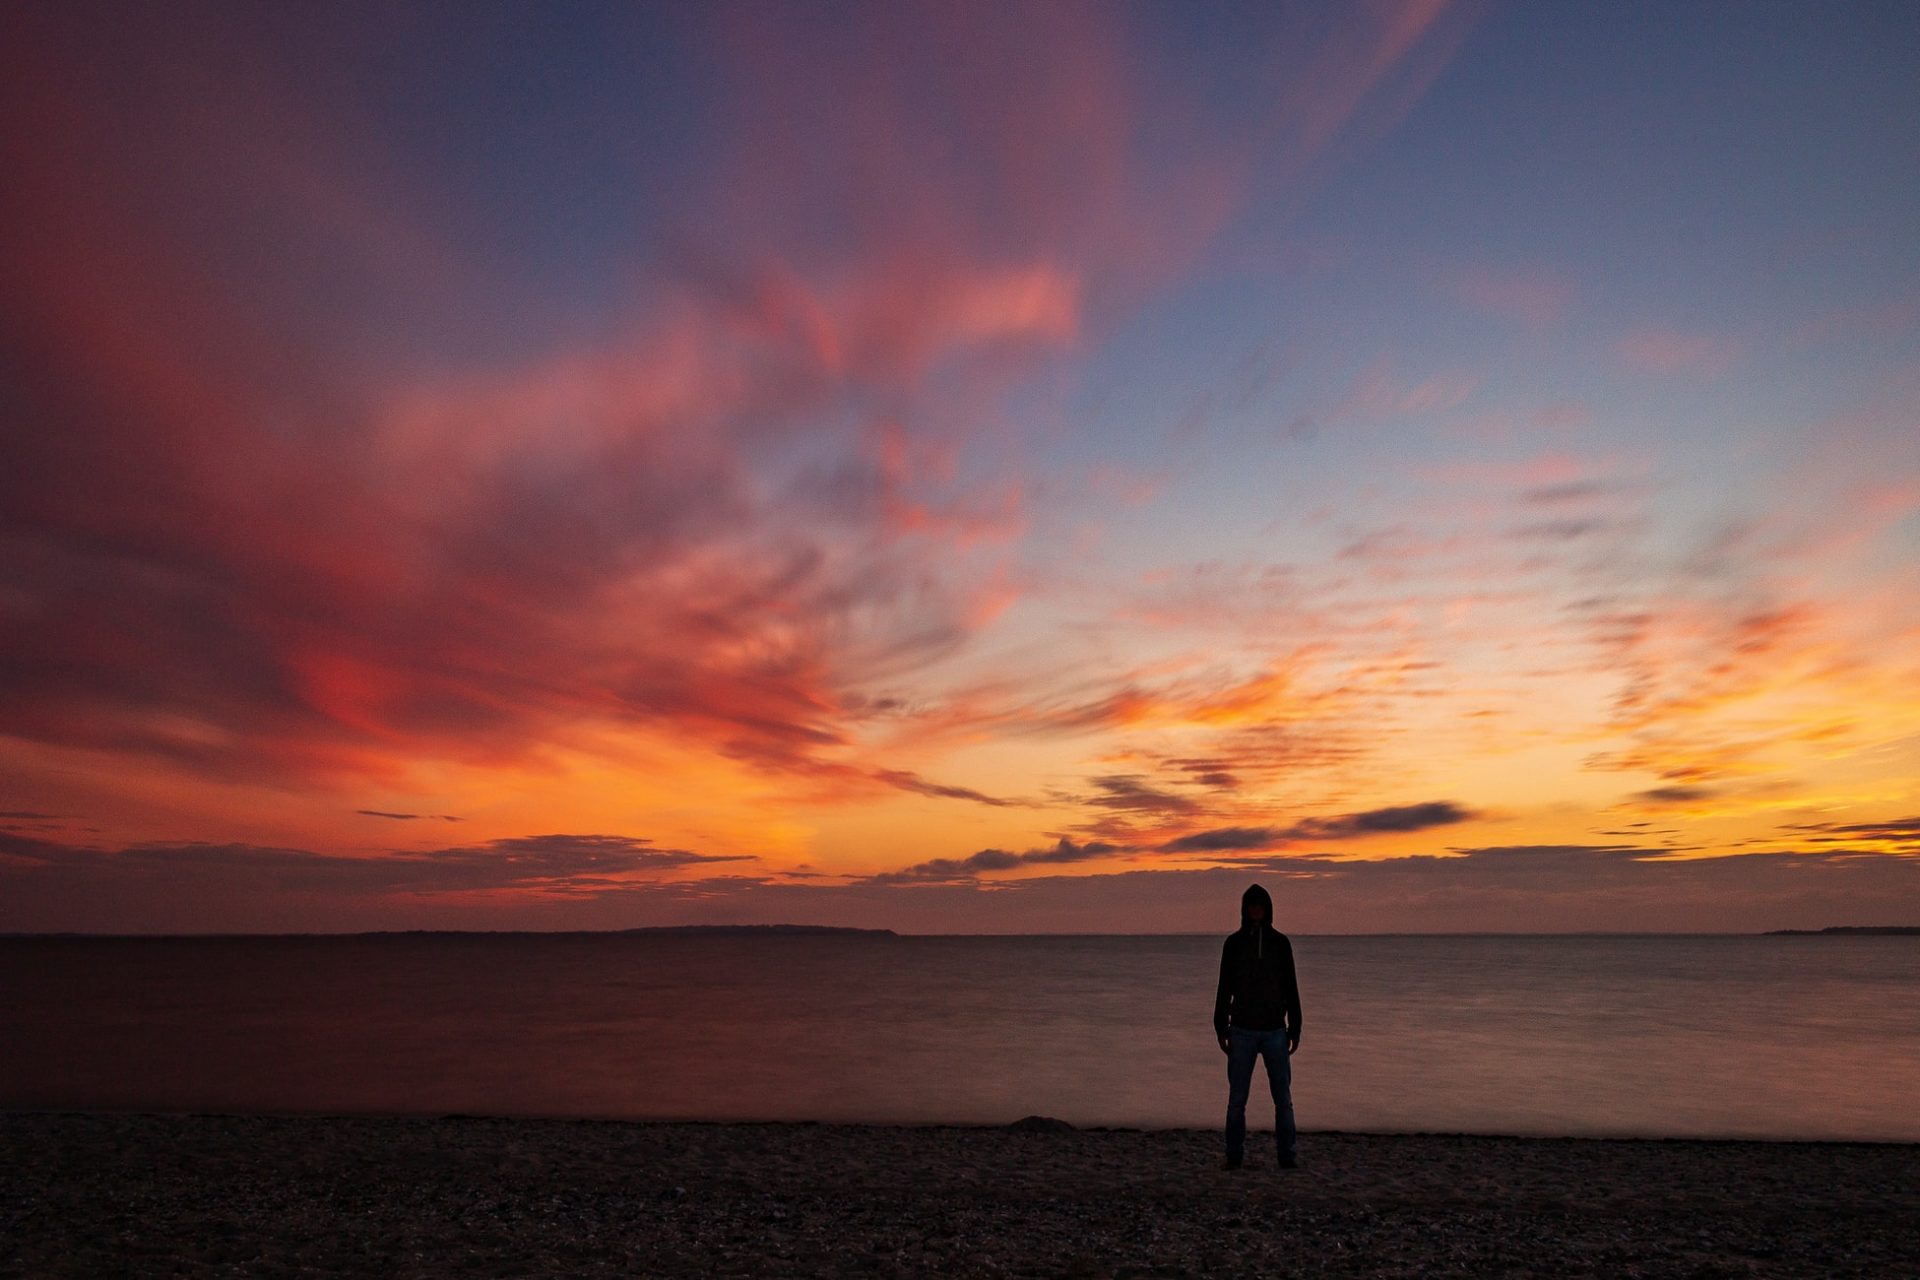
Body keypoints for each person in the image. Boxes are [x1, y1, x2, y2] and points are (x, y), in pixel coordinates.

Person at [1212, 882, 1301, 1170]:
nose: (1256, 909)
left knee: (1283, 1099)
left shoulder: (1280, 943)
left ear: (1268, 908)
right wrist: (1220, 1026)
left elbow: (1291, 986)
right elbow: (1224, 987)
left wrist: (1295, 1026)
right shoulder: (1234, 944)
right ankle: (1234, 1156)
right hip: (1241, 1030)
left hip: (1275, 1029)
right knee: (1237, 1099)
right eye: (1251, 905)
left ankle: (1287, 1157)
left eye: (1260, 904)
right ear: (1245, 909)